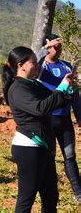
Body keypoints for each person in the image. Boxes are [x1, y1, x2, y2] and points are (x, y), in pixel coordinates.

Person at [2, 46, 76, 212]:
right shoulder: (18, 89)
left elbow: (54, 100)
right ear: (21, 65)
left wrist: (68, 89)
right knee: (26, 199)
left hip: (43, 146)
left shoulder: (34, 83)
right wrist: (61, 90)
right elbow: (40, 108)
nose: (37, 66)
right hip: (29, 147)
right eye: (34, 62)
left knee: (51, 196)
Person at [36, 34, 81, 203]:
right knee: (49, 157)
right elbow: (32, 62)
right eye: (54, 46)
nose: (58, 49)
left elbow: (74, 94)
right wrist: (44, 49)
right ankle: (50, 193)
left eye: (60, 46)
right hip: (47, 120)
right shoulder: (40, 67)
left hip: (64, 121)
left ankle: (78, 193)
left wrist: (79, 117)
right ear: (47, 47)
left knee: (70, 157)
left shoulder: (67, 66)